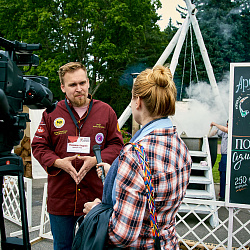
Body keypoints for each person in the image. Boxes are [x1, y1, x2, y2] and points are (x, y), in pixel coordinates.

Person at [83, 65, 192, 249]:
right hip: (166, 244)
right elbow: (154, 187)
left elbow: (120, 234)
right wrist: (116, 174)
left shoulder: (135, 155)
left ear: (138, 101)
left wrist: (95, 212)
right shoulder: (180, 145)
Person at [31, 62, 124, 250]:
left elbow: (117, 145)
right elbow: (39, 146)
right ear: (63, 87)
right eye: (73, 85)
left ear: (89, 82)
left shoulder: (106, 111)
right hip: (61, 198)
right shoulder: (51, 113)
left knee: (93, 246)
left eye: (82, 83)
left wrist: (96, 160)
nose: (79, 89)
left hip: (95, 197)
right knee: (62, 246)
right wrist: (58, 162)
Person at [210, 121, 228, 201]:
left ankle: (226, 195)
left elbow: (224, 129)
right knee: (222, 175)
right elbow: (217, 132)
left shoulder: (231, 131)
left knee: (227, 176)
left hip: (229, 156)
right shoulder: (224, 133)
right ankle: (222, 194)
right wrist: (210, 134)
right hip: (223, 156)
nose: (227, 125)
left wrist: (215, 124)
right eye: (227, 124)